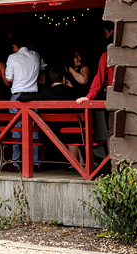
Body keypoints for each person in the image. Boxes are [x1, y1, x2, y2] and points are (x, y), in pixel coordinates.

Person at [3, 33, 46, 167]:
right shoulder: (36, 55)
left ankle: (17, 161)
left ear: (15, 46)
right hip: (33, 96)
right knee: (33, 131)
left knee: (16, 129)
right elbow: (42, 69)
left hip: (18, 96)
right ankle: (36, 161)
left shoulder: (12, 57)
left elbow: (9, 79)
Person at [76, 22, 116, 155]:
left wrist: (89, 97)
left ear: (113, 32)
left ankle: (115, 168)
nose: (105, 38)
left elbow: (99, 78)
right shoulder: (131, 55)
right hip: (132, 97)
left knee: (113, 132)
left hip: (112, 99)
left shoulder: (107, 55)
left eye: (106, 33)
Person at [39, 66, 83, 167]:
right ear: (64, 78)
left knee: (42, 128)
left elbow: (24, 97)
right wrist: (72, 88)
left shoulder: (45, 92)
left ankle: (42, 161)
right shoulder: (72, 92)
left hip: (49, 131)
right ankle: (74, 164)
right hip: (68, 131)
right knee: (74, 131)